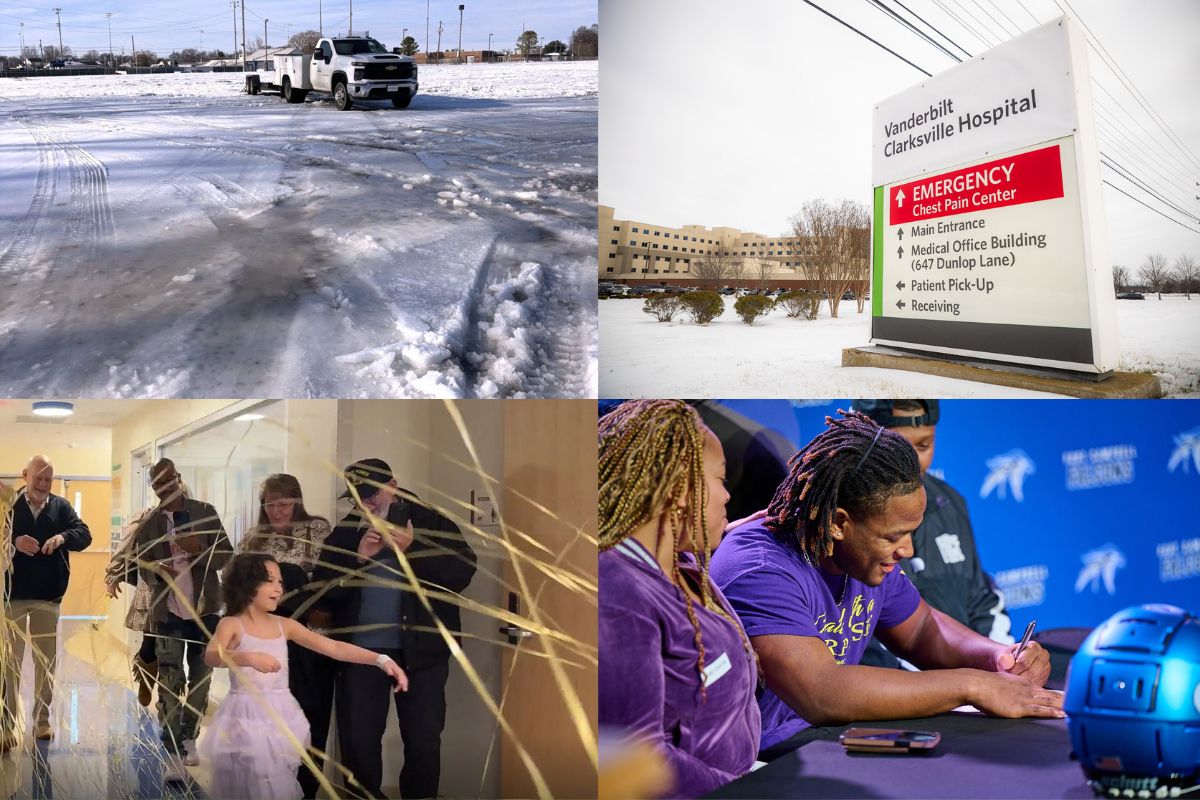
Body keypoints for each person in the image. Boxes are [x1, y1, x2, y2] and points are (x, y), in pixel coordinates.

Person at [709, 410, 1062, 759]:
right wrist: (973, 685)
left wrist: (998, 658)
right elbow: (822, 692)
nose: (906, 550)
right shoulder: (758, 567)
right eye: (894, 536)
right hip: (762, 761)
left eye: (911, 533)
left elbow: (921, 629)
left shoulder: (862, 558)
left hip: (831, 741)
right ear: (838, 523)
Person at [598, 400, 761, 799]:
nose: (727, 496)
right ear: (679, 489)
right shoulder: (618, 592)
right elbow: (634, 761)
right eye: (720, 479)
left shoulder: (683, 564)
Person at [312, 458, 477, 800]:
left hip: (422, 652)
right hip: (361, 653)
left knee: (423, 738)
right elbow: (323, 591)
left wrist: (411, 550)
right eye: (359, 497)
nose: (367, 503)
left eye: (373, 493)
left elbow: (460, 575)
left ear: (393, 484)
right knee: (358, 738)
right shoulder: (347, 531)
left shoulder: (433, 521)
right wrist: (357, 558)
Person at [201, 552, 408, 800]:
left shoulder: (284, 625)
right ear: (247, 584)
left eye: (280, 581)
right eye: (270, 581)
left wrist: (380, 659)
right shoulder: (231, 625)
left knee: (277, 780)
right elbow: (211, 656)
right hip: (245, 716)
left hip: (281, 714)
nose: (279, 588)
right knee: (250, 781)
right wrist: (246, 658)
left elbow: (334, 648)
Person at [852, 400, 1013, 670]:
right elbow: (861, 629)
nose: (912, 462)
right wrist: (953, 687)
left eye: (924, 446)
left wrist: (1002, 661)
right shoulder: (848, 517)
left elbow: (981, 600)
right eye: (899, 449)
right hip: (895, 695)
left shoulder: (951, 503)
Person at [129, 458, 233, 781]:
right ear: (154, 488)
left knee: (201, 681)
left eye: (170, 480)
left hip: (205, 613)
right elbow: (140, 569)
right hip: (168, 613)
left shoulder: (205, 512)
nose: (168, 488)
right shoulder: (151, 524)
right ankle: (172, 748)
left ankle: (189, 736)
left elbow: (226, 555)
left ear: (178, 478)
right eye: (160, 484)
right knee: (171, 684)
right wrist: (158, 570)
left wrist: (198, 548)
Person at [238, 474, 335, 799]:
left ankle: (305, 788)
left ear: (297, 502)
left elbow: (327, 578)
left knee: (310, 713)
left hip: (308, 637)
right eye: (271, 505)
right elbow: (237, 582)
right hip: (265, 638)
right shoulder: (253, 538)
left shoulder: (317, 529)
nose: (277, 511)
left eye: (284, 504)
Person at [1, 456, 92, 750]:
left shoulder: (61, 507)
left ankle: (42, 720)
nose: (42, 485)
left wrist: (62, 538)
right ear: (25, 475)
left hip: (48, 597)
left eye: (48, 480)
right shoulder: (8, 503)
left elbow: (84, 535)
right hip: (11, 596)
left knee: (45, 663)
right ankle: (6, 723)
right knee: (10, 663)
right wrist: (13, 541)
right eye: (38, 478)